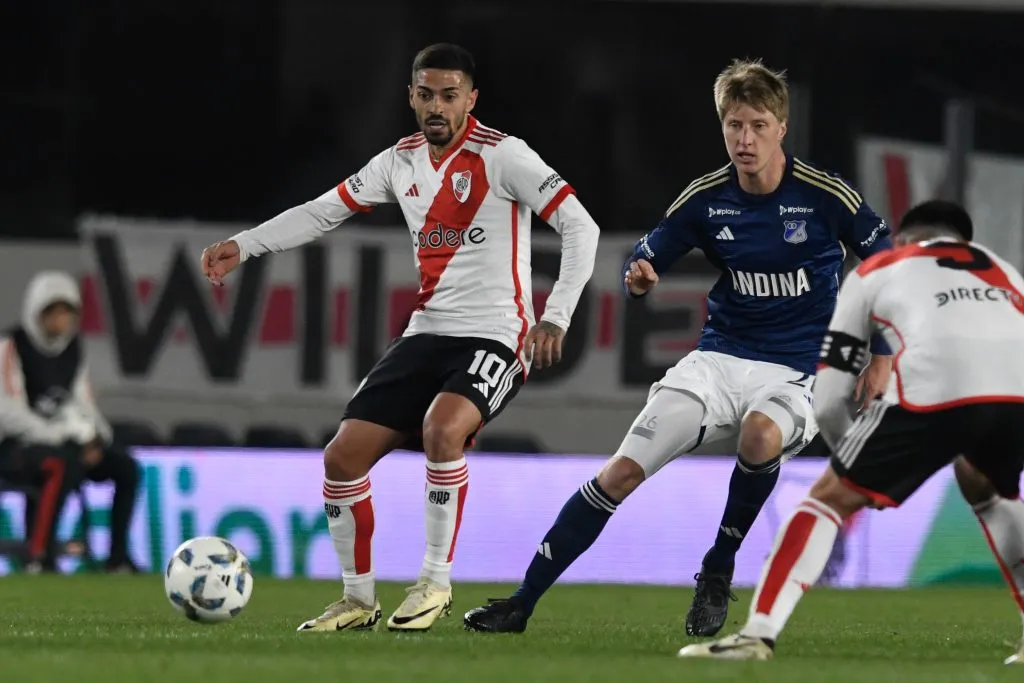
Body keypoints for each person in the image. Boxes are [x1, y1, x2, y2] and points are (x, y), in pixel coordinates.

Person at [463, 58, 893, 636]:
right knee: (618, 474)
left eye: (758, 126)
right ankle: (521, 602)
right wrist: (639, 277)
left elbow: (887, 263)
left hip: (798, 368)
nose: (745, 140)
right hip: (717, 361)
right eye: (734, 125)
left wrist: (881, 354)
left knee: (760, 435)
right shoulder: (706, 198)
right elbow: (645, 257)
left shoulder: (824, 195)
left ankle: (719, 565)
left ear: (781, 128)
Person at [200, 43, 600, 633]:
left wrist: (556, 315)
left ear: (471, 99)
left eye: (449, 95)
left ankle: (434, 583)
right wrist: (245, 244)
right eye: (426, 94)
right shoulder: (399, 161)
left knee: (443, 429)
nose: (437, 106)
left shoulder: (503, 155)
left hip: (497, 333)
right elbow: (322, 211)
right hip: (428, 330)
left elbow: (580, 225)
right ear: (411, 96)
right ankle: (358, 599)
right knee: (341, 457)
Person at [678, 200, 1024, 665]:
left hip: (938, 393)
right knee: (989, 490)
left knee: (826, 499)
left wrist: (850, 464)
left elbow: (830, 395)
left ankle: (756, 635)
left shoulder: (881, 268)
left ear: (904, 239)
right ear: (963, 242)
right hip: (1015, 397)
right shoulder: (1003, 271)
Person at [0, 271, 141, 573]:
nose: (61, 320)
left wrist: (94, 439)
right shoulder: (12, 347)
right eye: (53, 312)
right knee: (59, 464)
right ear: (37, 312)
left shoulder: (74, 350)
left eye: (67, 312)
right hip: (15, 449)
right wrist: (57, 435)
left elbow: (83, 402)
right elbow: (7, 410)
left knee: (125, 467)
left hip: (65, 444)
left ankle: (118, 559)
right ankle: (39, 557)